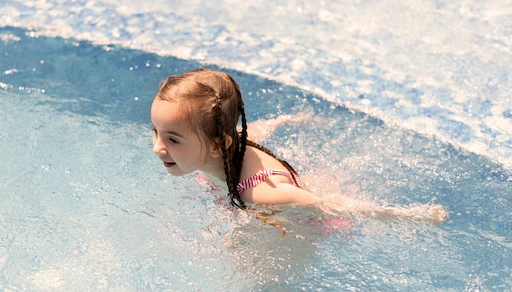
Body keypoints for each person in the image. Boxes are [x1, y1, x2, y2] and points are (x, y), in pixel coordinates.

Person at [150, 68, 447, 224]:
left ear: (218, 146)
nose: (157, 147)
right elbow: (259, 129)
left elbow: (327, 206)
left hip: (302, 227)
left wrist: (409, 216)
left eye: (172, 139)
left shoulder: (261, 193)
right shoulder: (227, 143)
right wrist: (287, 120)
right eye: (156, 132)